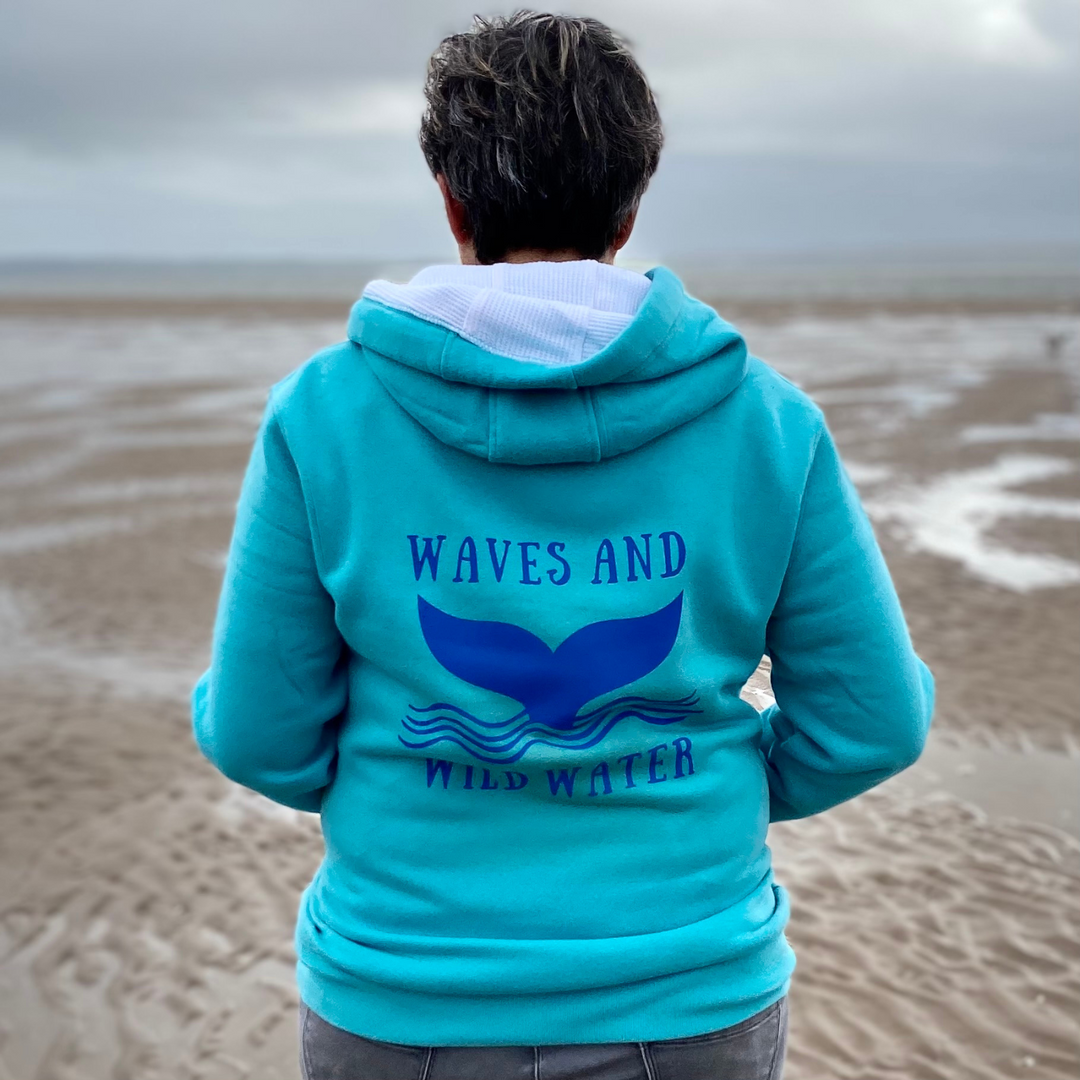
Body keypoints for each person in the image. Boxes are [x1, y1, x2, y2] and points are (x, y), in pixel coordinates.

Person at [191, 11, 935, 1080]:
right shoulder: (766, 421)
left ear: (451, 199)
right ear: (630, 206)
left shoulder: (323, 413)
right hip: (688, 998)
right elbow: (874, 721)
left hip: (405, 994)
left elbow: (262, 735)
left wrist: (407, 777)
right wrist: (707, 780)